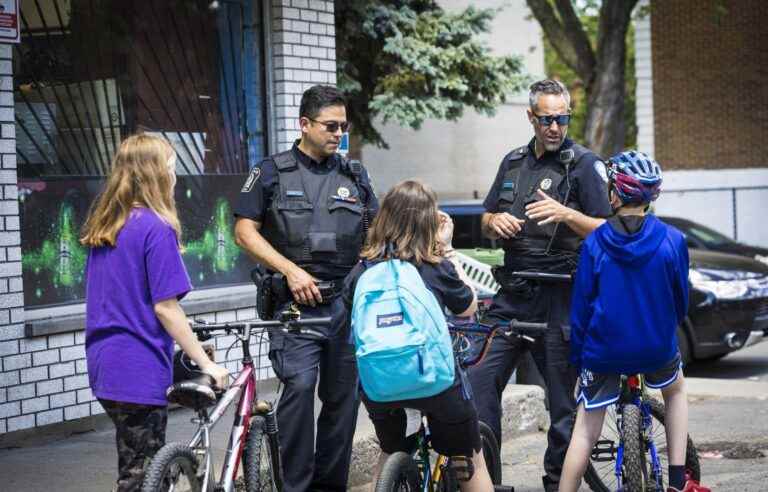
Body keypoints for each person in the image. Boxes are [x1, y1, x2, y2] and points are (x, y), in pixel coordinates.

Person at [467, 79, 613, 491]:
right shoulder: (513, 162)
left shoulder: (585, 164)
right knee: (479, 380)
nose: (555, 127)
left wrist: (566, 214)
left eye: (562, 118)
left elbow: (607, 228)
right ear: (531, 117)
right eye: (547, 119)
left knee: (564, 404)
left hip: (561, 296)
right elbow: (486, 215)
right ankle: (486, 482)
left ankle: (556, 485)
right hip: (513, 294)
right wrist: (493, 222)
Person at [233, 85, 378, 491]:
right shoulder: (271, 171)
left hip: (345, 307)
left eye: (343, 128)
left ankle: (329, 487)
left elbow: (376, 234)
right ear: (304, 124)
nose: (338, 134)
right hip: (296, 308)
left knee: (343, 400)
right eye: (330, 126)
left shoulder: (354, 175)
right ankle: (295, 486)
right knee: (298, 389)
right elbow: (244, 232)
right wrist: (291, 270)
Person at [81, 134, 229, 492]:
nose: (176, 177)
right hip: (137, 368)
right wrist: (205, 363)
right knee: (143, 478)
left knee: (137, 470)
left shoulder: (108, 228)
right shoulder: (155, 228)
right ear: (156, 175)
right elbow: (165, 307)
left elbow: (126, 299)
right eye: (172, 168)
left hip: (105, 365)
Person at [560, 150, 710, 492]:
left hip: (603, 352)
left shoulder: (595, 242)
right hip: (655, 348)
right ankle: (676, 481)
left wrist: (577, 361)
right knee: (675, 391)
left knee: (585, 430)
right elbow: (679, 301)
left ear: (616, 192)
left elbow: (581, 307)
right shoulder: (673, 240)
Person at [342, 179, 494, 492]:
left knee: (391, 450)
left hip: (379, 384)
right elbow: (468, 307)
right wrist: (448, 249)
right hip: (435, 382)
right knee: (468, 457)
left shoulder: (362, 269)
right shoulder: (435, 267)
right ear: (427, 222)